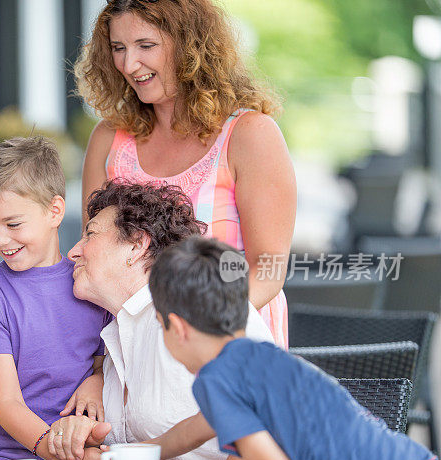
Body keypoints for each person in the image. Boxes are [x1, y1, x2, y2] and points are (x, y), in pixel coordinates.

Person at [149, 236, 441, 460]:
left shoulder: (215, 379)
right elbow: (194, 429)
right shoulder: (262, 355)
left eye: (161, 327)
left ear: (179, 327)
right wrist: (142, 451)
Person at [75, 0, 296, 347]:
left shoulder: (250, 134)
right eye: (119, 48)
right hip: (130, 352)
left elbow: (267, 271)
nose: (130, 65)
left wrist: (189, 337)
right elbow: (93, 266)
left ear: (191, 45)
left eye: (146, 45)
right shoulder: (108, 140)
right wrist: (100, 366)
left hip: (229, 342)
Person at [55, 182, 273, 460]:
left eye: (90, 234)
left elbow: (270, 422)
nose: (72, 252)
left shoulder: (197, 304)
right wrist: (87, 445)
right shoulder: (116, 336)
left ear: (136, 244)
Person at [0, 136, 111, 460]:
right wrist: (64, 457)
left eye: (13, 224)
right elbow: (6, 403)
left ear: (54, 211)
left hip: (81, 450)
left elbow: (106, 364)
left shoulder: (90, 283)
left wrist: (95, 381)